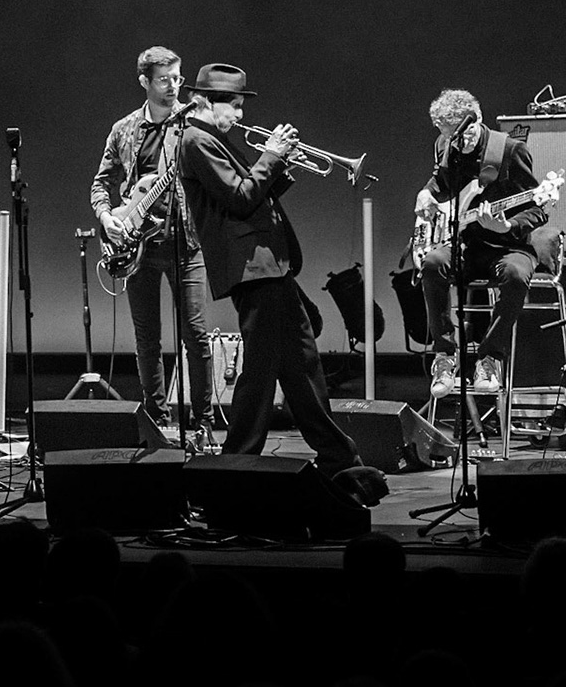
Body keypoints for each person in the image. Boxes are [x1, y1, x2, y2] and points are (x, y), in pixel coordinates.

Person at [176, 63, 386, 505]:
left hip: (268, 265)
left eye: (237, 105)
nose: (236, 114)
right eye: (230, 105)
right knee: (262, 371)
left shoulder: (214, 137)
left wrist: (280, 165)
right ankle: (239, 460)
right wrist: (270, 155)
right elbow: (238, 198)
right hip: (252, 267)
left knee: (301, 361)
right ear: (202, 100)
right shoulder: (196, 140)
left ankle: (335, 456)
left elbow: (253, 194)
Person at [89, 45, 214, 439]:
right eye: (164, 79)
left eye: (178, 77)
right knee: (147, 339)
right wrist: (108, 217)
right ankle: (157, 419)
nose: (174, 86)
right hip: (136, 245)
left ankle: (204, 422)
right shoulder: (124, 129)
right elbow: (101, 184)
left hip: (186, 242)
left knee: (196, 336)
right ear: (144, 81)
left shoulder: (193, 124)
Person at [412, 89, 549, 399]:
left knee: (515, 275)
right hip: (466, 242)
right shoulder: (446, 145)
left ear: (476, 120)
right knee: (431, 263)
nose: (457, 143)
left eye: (462, 134)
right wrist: (426, 192)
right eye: (449, 138)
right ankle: (444, 356)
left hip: (508, 244)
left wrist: (508, 224)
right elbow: (441, 180)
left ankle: (489, 358)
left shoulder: (511, 151)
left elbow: (539, 208)